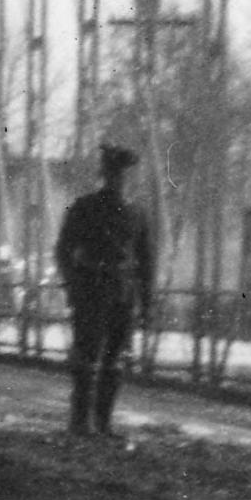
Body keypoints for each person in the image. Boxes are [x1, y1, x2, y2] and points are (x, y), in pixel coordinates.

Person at [53, 143, 152, 437]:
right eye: (115, 175)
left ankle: (104, 423)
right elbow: (63, 250)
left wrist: (146, 302)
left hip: (122, 294)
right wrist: (73, 285)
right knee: (86, 358)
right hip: (91, 291)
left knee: (114, 360)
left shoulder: (138, 213)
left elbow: (146, 261)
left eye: (125, 176)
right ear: (106, 175)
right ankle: (80, 422)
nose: (121, 181)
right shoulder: (84, 208)